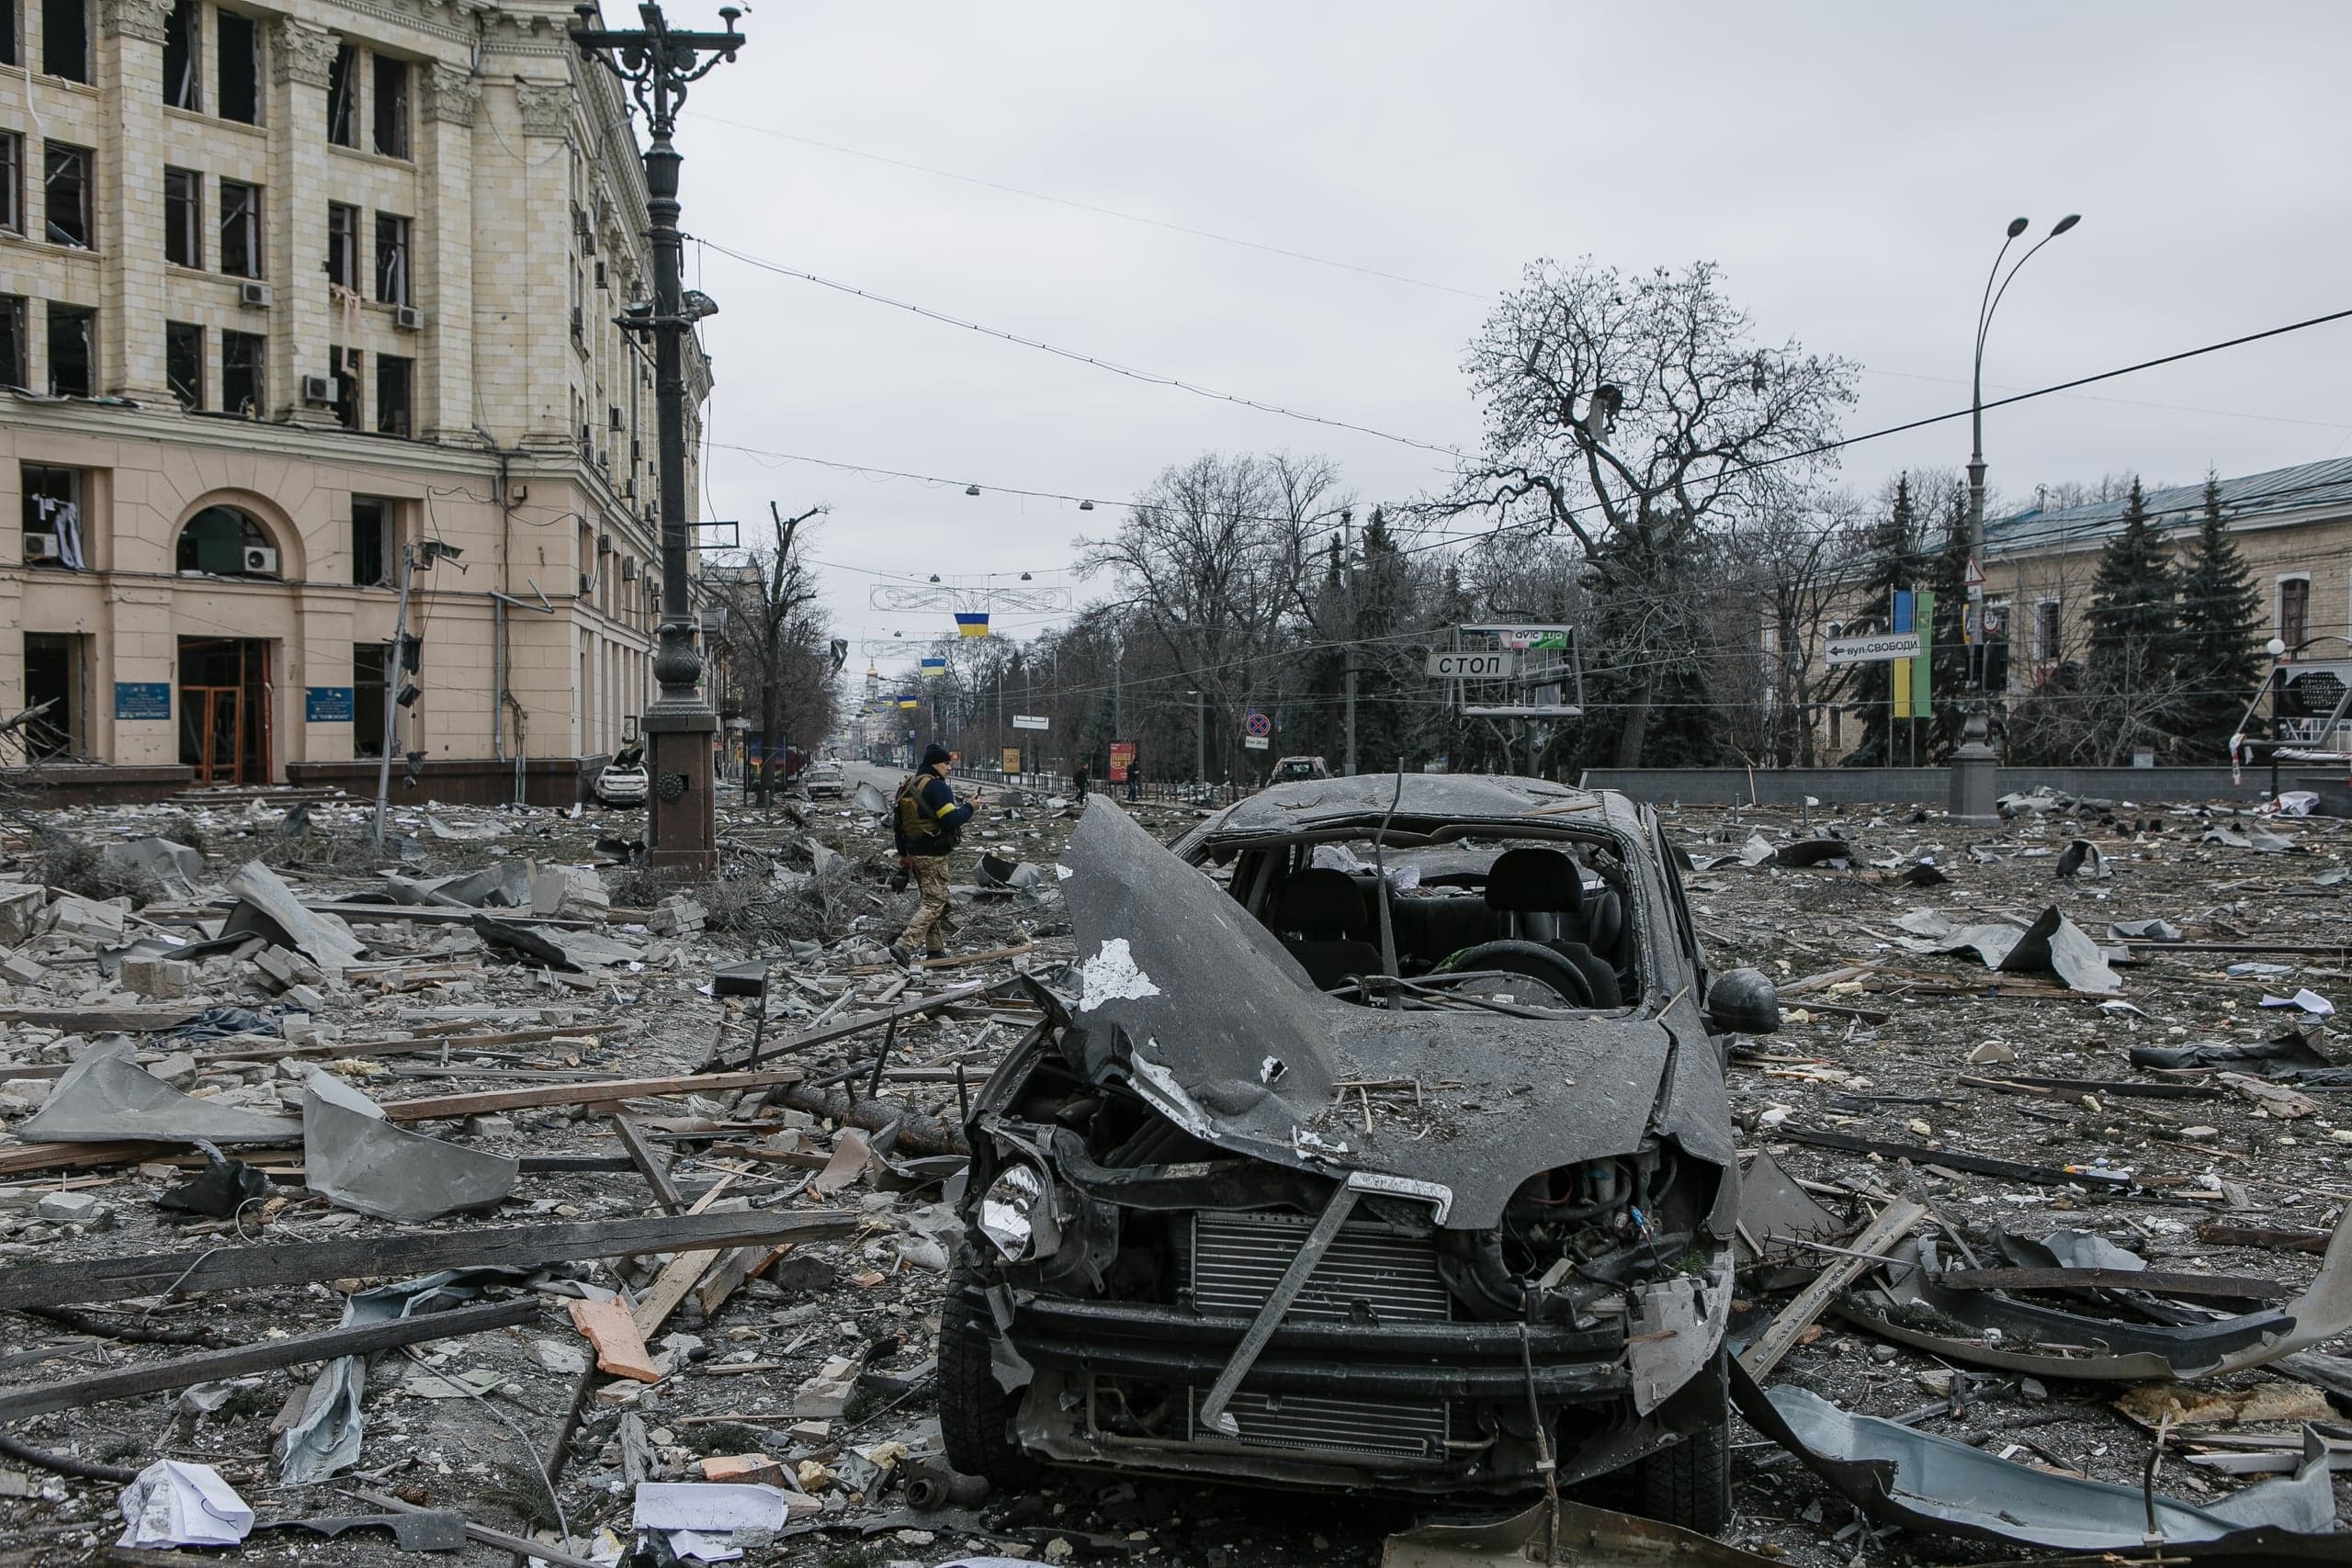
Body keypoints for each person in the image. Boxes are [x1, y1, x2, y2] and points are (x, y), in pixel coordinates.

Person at [891, 743, 975, 964]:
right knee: (934, 903)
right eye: (946, 763)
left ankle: (935, 949)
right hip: (934, 853)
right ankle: (904, 946)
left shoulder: (907, 786)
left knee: (930, 900)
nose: (949, 767)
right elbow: (950, 821)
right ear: (934, 764)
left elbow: (898, 826)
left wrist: (904, 856)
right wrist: (970, 807)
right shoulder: (936, 787)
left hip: (915, 853)